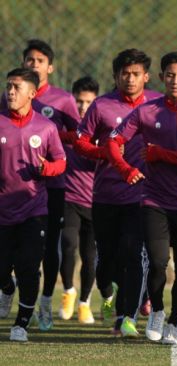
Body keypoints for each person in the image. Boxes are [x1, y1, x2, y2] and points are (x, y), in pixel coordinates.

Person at [106, 51, 177, 344]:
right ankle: (157, 310)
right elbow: (113, 141)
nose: (175, 80)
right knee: (158, 262)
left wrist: (161, 155)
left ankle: (174, 322)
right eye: (170, 75)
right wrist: (125, 168)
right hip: (155, 199)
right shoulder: (147, 111)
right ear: (160, 77)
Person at [75, 48, 162, 336]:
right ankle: (108, 294)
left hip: (142, 195)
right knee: (106, 263)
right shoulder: (101, 106)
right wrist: (106, 152)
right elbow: (80, 143)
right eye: (124, 73)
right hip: (105, 195)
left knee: (132, 252)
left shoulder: (156, 105)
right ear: (115, 76)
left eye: (136, 73)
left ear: (146, 76)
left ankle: (126, 317)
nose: (130, 78)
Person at [1, 40, 81, 331]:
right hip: (6, 197)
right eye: (29, 59)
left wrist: (48, 159)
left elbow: (75, 141)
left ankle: (40, 306)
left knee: (43, 252)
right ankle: (9, 289)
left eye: (39, 60)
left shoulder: (59, 105)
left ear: (50, 66)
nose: (33, 64)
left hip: (47, 192)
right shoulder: (5, 106)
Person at [57, 76, 100, 324]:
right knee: (68, 243)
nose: (83, 107)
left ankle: (85, 302)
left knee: (90, 255)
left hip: (95, 202)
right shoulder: (67, 134)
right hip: (69, 198)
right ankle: (68, 292)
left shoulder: (103, 133)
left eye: (88, 103)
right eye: (79, 102)